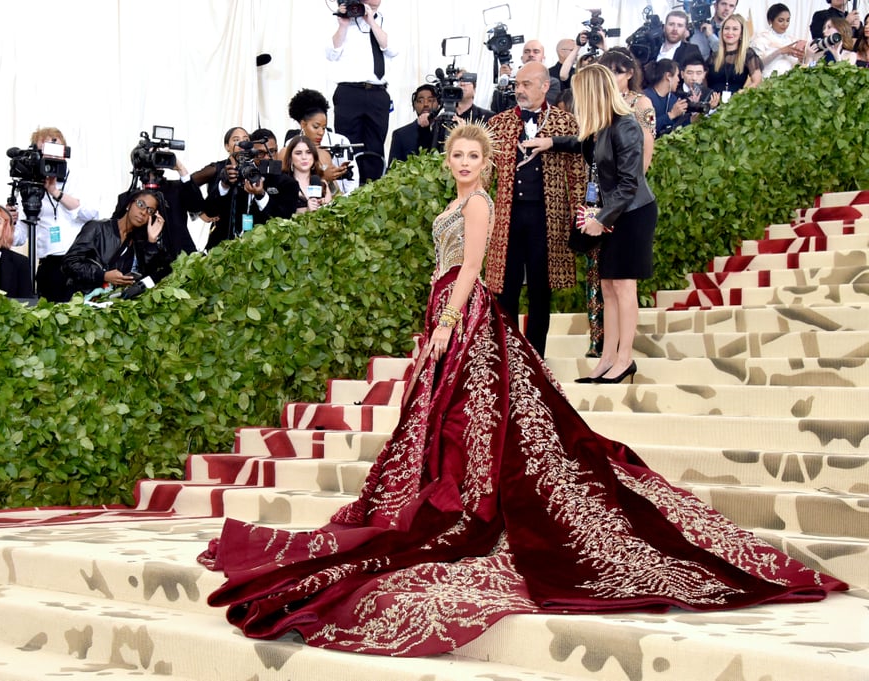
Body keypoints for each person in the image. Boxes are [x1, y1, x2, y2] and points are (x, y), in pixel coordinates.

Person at [198, 118, 846, 657]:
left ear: (488, 164)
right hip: (444, 309)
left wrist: (447, 328)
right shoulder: (453, 202)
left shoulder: (479, 204)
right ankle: (446, 490)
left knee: (472, 421)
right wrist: (430, 327)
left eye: (473, 155)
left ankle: (465, 498)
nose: (463, 162)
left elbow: (474, 268)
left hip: (468, 313)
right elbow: (442, 265)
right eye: (456, 153)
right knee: (448, 420)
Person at [526, 64, 658, 385]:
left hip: (632, 214)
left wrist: (601, 219)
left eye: (579, 93)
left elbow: (629, 183)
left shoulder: (625, 125)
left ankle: (624, 358)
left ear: (593, 93)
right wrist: (551, 142)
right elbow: (581, 144)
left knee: (624, 287)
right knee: (608, 287)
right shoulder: (602, 126)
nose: (574, 101)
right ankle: (608, 358)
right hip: (614, 214)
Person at [485, 61, 585, 358]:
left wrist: (579, 217)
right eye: (516, 84)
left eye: (526, 84)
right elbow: (485, 174)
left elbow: (577, 175)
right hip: (507, 216)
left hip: (548, 218)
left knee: (542, 288)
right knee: (505, 287)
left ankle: (536, 356)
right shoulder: (498, 123)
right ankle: (510, 355)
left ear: (545, 86)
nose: (519, 90)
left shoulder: (566, 123)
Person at [9, 126, 99, 302]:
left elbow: (91, 213)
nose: (52, 158)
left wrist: (56, 193)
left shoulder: (80, 176)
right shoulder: (30, 185)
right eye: (45, 152)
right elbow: (19, 237)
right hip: (50, 264)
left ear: (65, 151)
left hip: (80, 260)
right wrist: (8, 221)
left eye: (56, 150)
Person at [327, 0, 395, 184]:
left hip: (377, 93)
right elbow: (331, 53)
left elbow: (392, 49)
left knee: (375, 144)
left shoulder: (384, 20)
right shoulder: (342, 20)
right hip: (349, 92)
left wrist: (371, 21)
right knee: (347, 145)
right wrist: (343, 24)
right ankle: (348, 191)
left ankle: (373, 190)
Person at [201, 127, 298, 251]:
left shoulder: (287, 183)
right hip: (224, 250)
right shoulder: (232, 174)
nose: (268, 157)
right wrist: (224, 186)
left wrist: (261, 195)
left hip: (263, 253)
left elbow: (283, 221)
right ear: (250, 153)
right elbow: (210, 212)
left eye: (272, 151)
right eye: (261, 153)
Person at [61, 189, 172, 294]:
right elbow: (69, 263)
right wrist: (103, 275)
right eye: (140, 204)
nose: (143, 212)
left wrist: (151, 241)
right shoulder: (97, 228)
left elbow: (149, 275)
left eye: (150, 211)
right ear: (129, 205)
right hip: (84, 300)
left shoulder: (138, 243)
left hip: (114, 303)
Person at [286, 89, 359, 196]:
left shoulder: (341, 141)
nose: (321, 132)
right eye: (316, 127)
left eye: (324, 127)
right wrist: (323, 177)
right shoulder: (290, 145)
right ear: (302, 124)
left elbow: (352, 183)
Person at [706, 14, 764, 100]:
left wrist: (741, 94)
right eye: (726, 28)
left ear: (741, 33)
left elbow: (757, 81)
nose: (730, 32)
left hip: (735, 104)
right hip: (712, 105)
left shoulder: (747, 54)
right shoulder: (713, 56)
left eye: (735, 29)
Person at [388, 85, 440, 166]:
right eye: (420, 101)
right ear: (414, 105)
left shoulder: (446, 130)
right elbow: (392, 169)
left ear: (439, 104)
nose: (426, 104)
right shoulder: (401, 135)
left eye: (430, 100)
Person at [751, 4, 807, 78]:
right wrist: (779, 52)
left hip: (790, 82)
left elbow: (797, 66)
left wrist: (801, 59)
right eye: (781, 20)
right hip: (767, 82)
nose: (785, 24)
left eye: (788, 20)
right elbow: (756, 65)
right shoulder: (760, 38)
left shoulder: (792, 40)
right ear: (770, 21)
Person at [282, 136, 332, 214]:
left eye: (309, 152)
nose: (304, 157)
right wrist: (307, 211)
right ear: (290, 158)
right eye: (298, 153)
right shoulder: (284, 184)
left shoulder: (322, 183)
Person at [642, 59, 689, 138]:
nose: (678, 80)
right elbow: (647, 127)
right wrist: (671, 115)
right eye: (677, 75)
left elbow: (679, 126)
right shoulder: (646, 97)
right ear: (668, 76)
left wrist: (694, 117)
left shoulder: (673, 99)